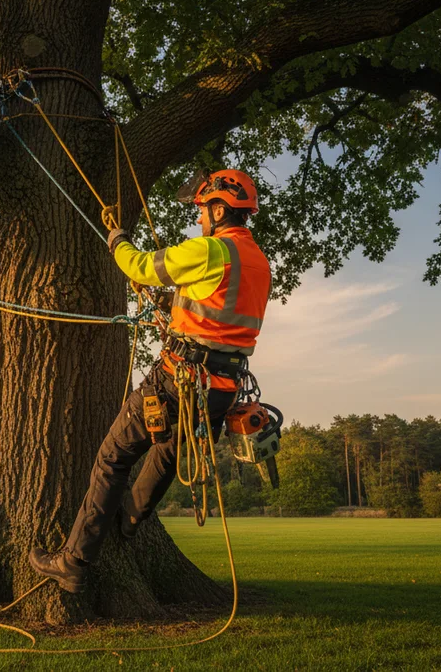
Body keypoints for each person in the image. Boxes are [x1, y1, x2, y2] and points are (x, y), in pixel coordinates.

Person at [28, 169, 273, 593]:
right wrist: (170, 301)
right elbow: (216, 306)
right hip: (221, 389)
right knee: (166, 454)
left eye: (202, 210)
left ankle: (74, 560)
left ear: (220, 210)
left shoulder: (212, 250)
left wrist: (117, 240)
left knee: (113, 457)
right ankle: (128, 522)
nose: (199, 218)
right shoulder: (259, 263)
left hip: (179, 379)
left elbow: (140, 266)